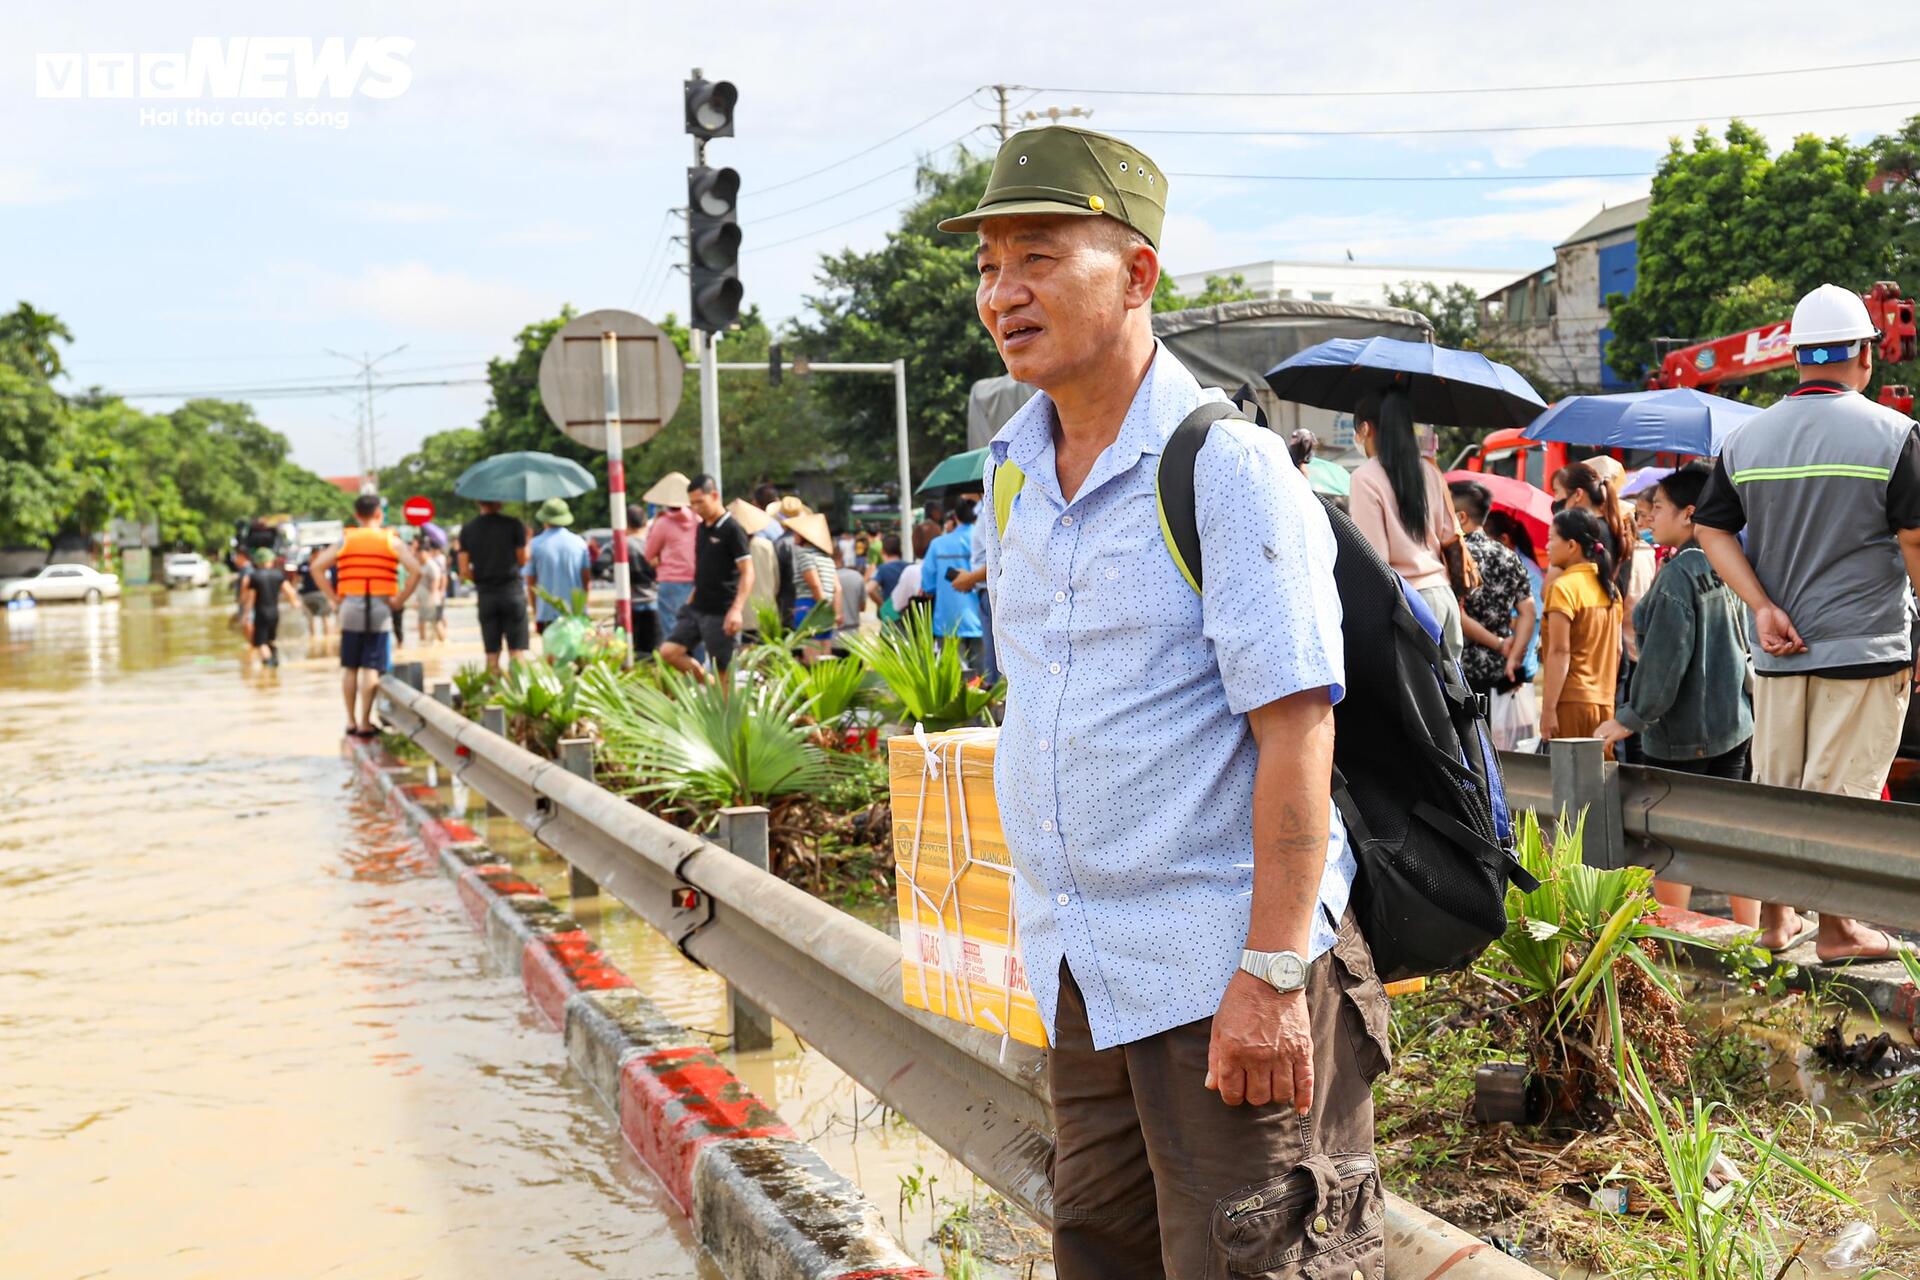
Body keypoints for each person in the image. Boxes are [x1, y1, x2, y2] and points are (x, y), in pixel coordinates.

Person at [943, 124, 1383, 1279]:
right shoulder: (1013, 470)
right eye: (988, 267)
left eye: (1038, 257)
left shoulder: (1224, 468)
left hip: (1220, 968)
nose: (1003, 293)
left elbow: (1296, 727)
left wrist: (1275, 973)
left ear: (1136, 272)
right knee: (1100, 1251)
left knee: (1249, 1261)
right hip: (1086, 965)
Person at [1694, 282, 1920, 962]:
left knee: (1779, 785)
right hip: (1866, 647)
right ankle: (1840, 929)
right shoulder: (1896, 435)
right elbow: (1914, 543)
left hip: (1779, 651)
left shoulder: (1748, 437)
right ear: (1866, 357)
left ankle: (1774, 920)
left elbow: (1710, 528)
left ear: (1796, 358)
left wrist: (1760, 605)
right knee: (1842, 792)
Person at [1593, 465, 1754, 910]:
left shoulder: (1676, 579)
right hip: (1734, 722)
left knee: (1671, 841)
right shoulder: (1730, 562)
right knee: (1733, 836)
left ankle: (1672, 943)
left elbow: (1664, 666)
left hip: (1681, 734)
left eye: (1658, 508)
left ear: (1689, 514)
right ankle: (1750, 940)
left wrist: (1629, 718)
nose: (1650, 517)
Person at [1348, 389, 1467, 659]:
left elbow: (1374, 560)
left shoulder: (1365, 478)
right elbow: (1448, 534)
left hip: (1410, 605)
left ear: (1365, 428)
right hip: (1444, 597)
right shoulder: (1430, 471)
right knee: (1452, 697)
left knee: (1418, 701)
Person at [313, 494, 423, 738]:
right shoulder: (390, 540)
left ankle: (350, 721)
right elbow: (416, 571)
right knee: (371, 666)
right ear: (379, 514)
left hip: (350, 605)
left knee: (350, 666)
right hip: (380, 606)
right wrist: (399, 600)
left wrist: (333, 597)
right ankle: (365, 722)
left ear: (356, 515)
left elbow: (316, 567)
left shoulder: (345, 539)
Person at [1450, 481, 1537, 748]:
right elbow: (1528, 612)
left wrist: (1498, 644)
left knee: (1468, 748)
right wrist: (1511, 655)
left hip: (1463, 668)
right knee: (1498, 751)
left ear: (1462, 516)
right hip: (1500, 672)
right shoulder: (1507, 555)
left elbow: (1455, 614)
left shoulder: (1456, 554)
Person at [659, 474, 753, 683]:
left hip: (722, 612)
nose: (695, 508)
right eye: (692, 503)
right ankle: (708, 684)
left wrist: (736, 609)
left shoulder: (732, 529)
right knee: (669, 652)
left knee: (724, 673)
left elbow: (748, 571)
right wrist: (690, 600)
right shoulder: (702, 528)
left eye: (700, 502)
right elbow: (704, 569)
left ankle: (727, 710)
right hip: (697, 607)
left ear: (715, 496)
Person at [1541, 508, 1622, 746]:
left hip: (1569, 702)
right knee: (1600, 778)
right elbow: (1617, 652)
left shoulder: (1563, 588)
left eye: (1552, 538)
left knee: (1569, 778)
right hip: (1604, 703)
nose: (1547, 546)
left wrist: (1548, 709)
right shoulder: (1610, 589)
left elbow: (1559, 652)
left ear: (1571, 545)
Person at [458, 499, 530, 672]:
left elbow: (464, 570)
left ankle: (492, 694)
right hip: (512, 592)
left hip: (486, 595)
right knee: (516, 651)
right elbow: (523, 559)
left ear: (478, 503)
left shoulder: (468, 529)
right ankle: (518, 693)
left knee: (491, 653)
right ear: (499, 502)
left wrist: (482, 577)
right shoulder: (514, 525)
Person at [918, 496, 985, 668]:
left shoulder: (938, 544)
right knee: (987, 676)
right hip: (983, 615)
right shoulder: (986, 540)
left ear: (955, 517)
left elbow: (928, 585)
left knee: (956, 677)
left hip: (948, 619)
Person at [525, 498, 593, 639]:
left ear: (544, 519)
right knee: (577, 656)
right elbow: (586, 581)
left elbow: (531, 583)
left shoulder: (535, 545)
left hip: (546, 612)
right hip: (575, 611)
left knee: (551, 657)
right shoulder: (579, 543)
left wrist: (536, 611)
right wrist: (584, 607)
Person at [644, 473, 699, 638]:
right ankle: (701, 664)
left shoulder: (663, 523)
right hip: (697, 581)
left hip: (671, 581)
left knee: (672, 630)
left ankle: (676, 663)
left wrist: (654, 525)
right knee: (697, 627)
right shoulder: (699, 519)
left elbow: (649, 553)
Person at [239, 548, 299, 666]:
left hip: (261, 613)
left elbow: (251, 599)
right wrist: (294, 603)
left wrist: (245, 615)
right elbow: (290, 592)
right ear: (270, 560)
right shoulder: (278, 574)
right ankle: (275, 664)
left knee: (260, 642)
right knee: (271, 640)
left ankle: (268, 666)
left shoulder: (253, 577)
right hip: (275, 613)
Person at [623, 504, 662, 656]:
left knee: (635, 653)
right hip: (655, 602)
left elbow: (599, 569)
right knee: (654, 654)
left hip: (631, 605)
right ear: (645, 522)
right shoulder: (653, 542)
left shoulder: (620, 545)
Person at [295, 554, 333, 644]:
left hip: (307, 594)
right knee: (324, 618)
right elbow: (328, 580)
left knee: (312, 619)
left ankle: (313, 640)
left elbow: (297, 580)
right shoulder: (322, 564)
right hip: (319, 593)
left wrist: (295, 593)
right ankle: (328, 642)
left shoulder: (303, 566)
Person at [417, 542, 449, 645]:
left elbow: (436, 581)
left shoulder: (431, 565)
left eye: (421, 553)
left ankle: (444, 642)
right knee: (423, 621)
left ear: (427, 553)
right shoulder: (423, 565)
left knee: (436, 623)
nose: (419, 556)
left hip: (432, 599)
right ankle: (423, 643)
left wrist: (432, 596)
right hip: (425, 599)